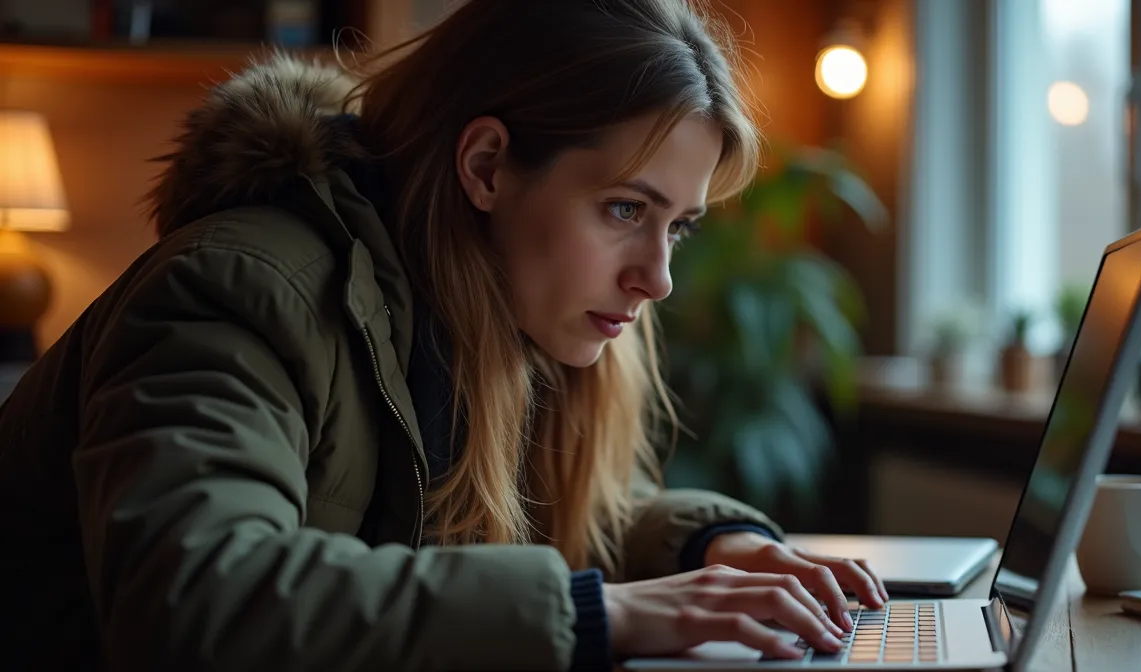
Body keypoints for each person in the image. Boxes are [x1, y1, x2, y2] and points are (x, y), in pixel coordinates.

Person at [0, 1, 888, 669]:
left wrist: (714, 548)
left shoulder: (482, 308)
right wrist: (597, 614)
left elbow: (544, 521)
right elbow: (196, 601)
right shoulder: (238, 291)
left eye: (678, 226)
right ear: (487, 166)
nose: (655, 277)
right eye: (625, 208)